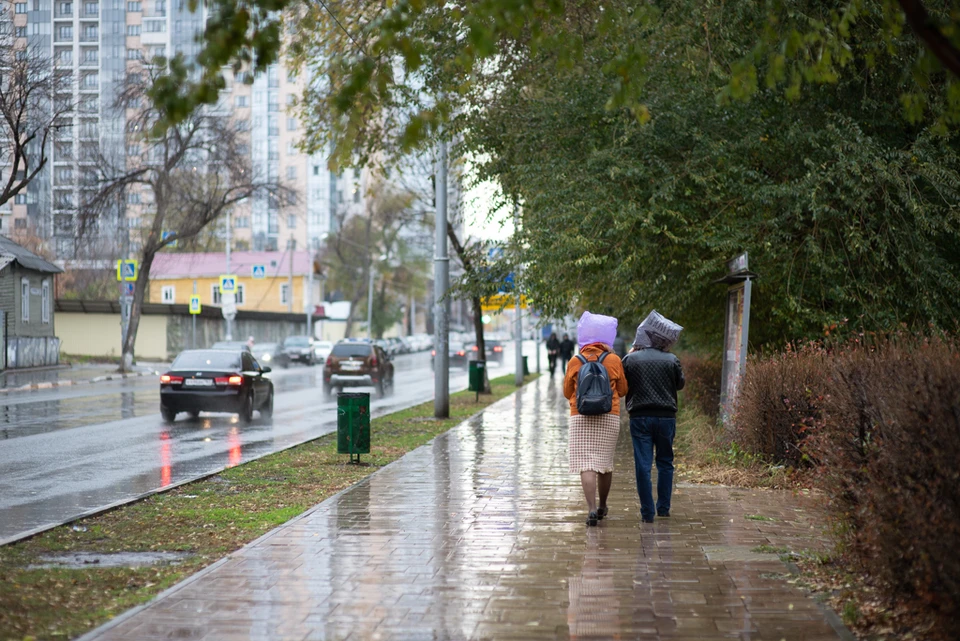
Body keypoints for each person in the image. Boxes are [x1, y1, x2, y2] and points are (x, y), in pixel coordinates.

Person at [564, 316, 627, 527]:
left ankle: (590, 509)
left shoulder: (575, 361)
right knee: (604, 465)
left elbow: (567, 392)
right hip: (609, 415)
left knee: (586, 465)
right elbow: (623, 391)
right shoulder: (614, 360)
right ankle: (603, 505)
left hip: (580, 417)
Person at [622, 319, 685, 524]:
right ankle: (664, 508)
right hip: (666, 417)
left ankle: (647, 512)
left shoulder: (630, 360)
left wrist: (631, 354)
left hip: (639, 417)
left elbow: (623, 385)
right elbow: (680, 384)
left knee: (643, 464)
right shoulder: (672, 359)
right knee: (665, 462)